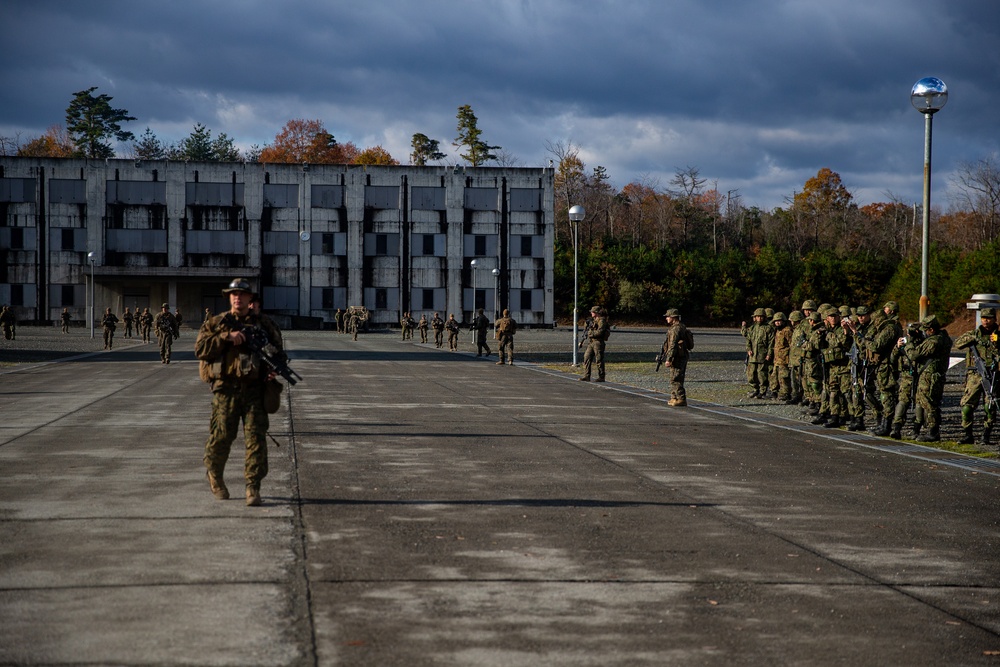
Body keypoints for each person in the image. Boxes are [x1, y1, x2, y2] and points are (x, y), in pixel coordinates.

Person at [196, 278, 284, 507]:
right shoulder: (217, 323)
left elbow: (278, 353)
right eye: (233, 294)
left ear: (249, 298)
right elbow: (200, 349)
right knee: (222, 437)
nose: (238, 298)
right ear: (229, 298)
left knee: (256, 439)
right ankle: (214, 475)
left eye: (242, 294)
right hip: (225, 391)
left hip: (255, 390)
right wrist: (227, 338)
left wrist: (272, 370)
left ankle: (252, 486)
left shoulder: (264, 324)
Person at [953, 307, 1000, 445]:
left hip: (993, 375)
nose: (986, 321)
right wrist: (974, 337)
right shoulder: (974, 334)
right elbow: (958, 343)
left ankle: (986, 435)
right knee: (967, 406)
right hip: (974, 375)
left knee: (990, 406)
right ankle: (968, 434)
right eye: (984, 318)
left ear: (994, 319)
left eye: (989, 318)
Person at [910, 314, 952, 443]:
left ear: (931, 330)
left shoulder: (934, 341)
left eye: (926, 330)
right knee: (928, 402)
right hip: (933, 375)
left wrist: (908, 345)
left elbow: (914, 355)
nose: (924, 333)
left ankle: (933, 432)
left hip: (930, 376)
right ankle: (929, 429)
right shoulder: (944, 338)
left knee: (929, 403)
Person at [888, 322, 925, 439]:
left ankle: (916, 429)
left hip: (920, 375)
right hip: (906, 376)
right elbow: (893, 359)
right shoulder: (904, 343)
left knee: (919, 402)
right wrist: (897, 348)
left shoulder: (924, 343)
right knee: (903, 401)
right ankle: (897, 428)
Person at [660, 308, 693, 405]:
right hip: (680, 355)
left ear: (673, 317)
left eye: (668, 316)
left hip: (678, 356)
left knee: (676, 378)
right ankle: (674, 397)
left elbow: (673, 344)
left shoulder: (675, 329)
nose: (666, 318)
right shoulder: (681, 326)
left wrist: (669, 359)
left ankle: (681, 398)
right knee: (674, 377)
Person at [743, 308, 774, 398]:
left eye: (761, 317)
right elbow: (748, 340)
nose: (759, 318)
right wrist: (748, 349)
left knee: (762, 374)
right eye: (757, 317)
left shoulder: (768, 329)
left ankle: (763, 391)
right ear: (755, 318)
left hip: (762, 355)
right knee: (751, 374)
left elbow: (771, 343)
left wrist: (769, 354)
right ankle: (755, 389)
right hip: (752, 356)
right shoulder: (752, 328)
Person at [580, 306, 610, 382]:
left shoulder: (602, 320)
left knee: (599, 359)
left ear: (596, 313)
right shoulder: (593, 320)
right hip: (591, 342)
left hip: (598, 342)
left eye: (592, 312)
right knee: (586, 357)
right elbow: (587, 330)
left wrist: (591, 333)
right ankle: (587, 376)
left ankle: (601, 376)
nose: (591, 313)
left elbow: (600, 332)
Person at [771, 312, 792, 402]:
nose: (778, 323)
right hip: (777, 359)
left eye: (779, 321)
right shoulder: (777, 331)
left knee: (784, 377)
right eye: (776, 321)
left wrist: (786, 353)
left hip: (784, 359)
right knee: (774, 376)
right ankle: (774, 391)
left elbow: (791, 344)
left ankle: (785, 393)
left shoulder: (787, 331)